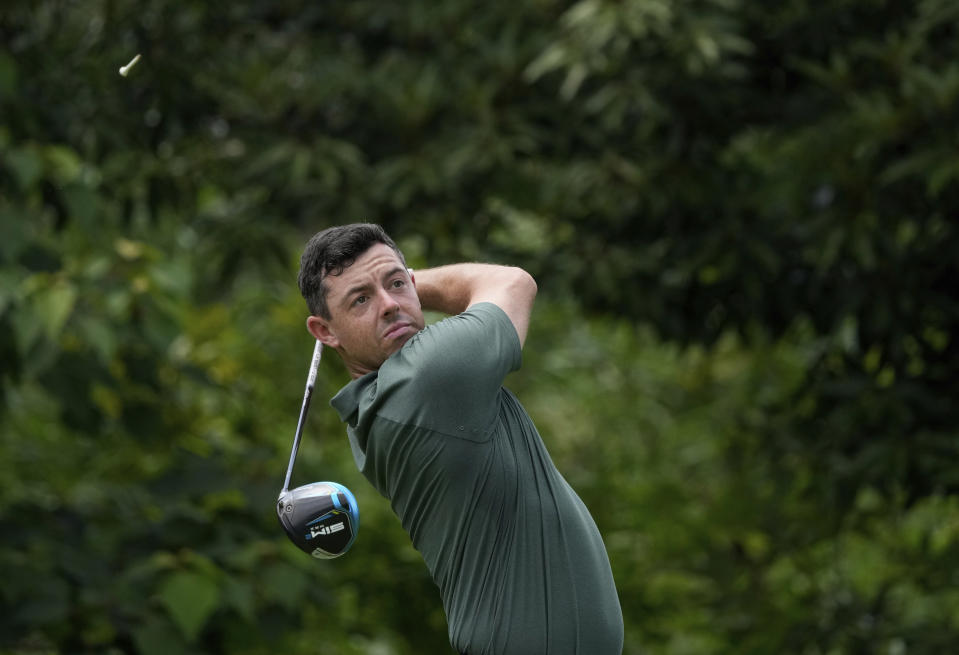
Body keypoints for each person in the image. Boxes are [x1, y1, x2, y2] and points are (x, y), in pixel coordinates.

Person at [297, 223, 624, 655]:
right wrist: (414, 282)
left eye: (396, 284)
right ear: (325, 332)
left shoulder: (379, 404)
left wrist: (392, 282)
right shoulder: (428, 376)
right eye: (361, 299)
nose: (390, 305)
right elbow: (513, 282)